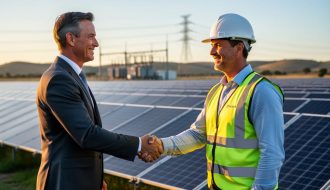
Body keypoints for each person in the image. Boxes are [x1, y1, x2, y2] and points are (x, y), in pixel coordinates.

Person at [144, 13, 285, 190]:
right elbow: (198, 135)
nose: (211, 52)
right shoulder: (216, 92)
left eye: (217, 45)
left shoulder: (261, 91)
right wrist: (161, 145)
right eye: (211, 45)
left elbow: (272, 153)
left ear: (239, 48)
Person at [36, 12, 161, 190]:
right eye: (91, 37)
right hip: (64, 182)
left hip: (78, 181)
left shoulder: (72, 75)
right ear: (71, 38)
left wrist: (93, 178)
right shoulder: (59, 79)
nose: (96, 43)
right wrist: (139, 144)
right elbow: (87, 135)